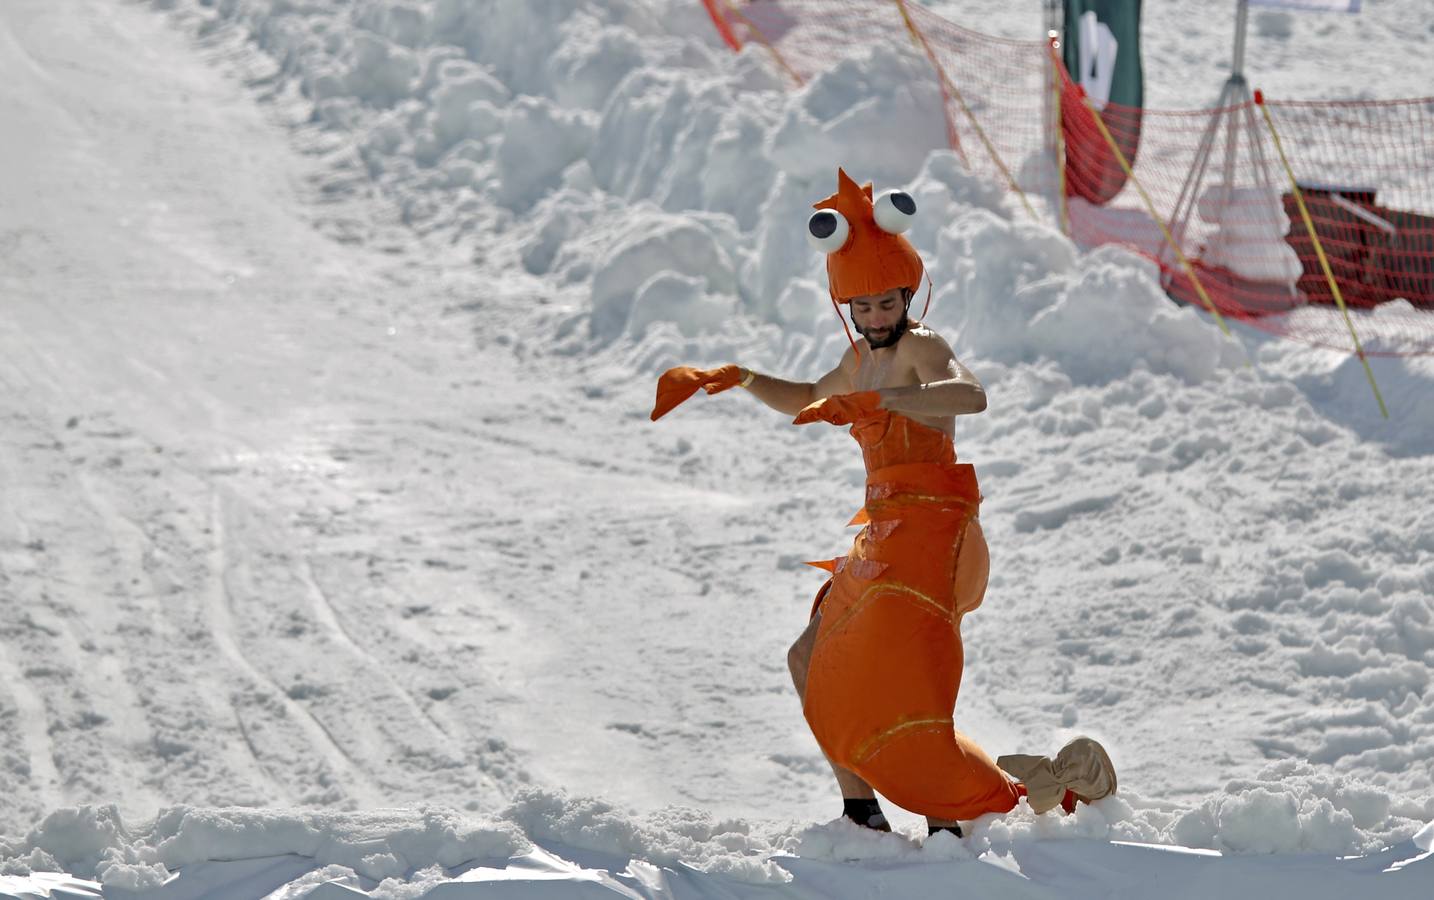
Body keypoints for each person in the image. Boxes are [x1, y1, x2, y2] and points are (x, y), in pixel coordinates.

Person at [650, 168, 1116, 838]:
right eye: (862, 306)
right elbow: (811, 392)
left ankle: (984, 812)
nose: (876, 316)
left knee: (905, 688)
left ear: (906, 296)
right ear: (847, 306)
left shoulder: (919, 348)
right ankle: (861, 812)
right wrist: (741, 377)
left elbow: (969, 393)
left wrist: (896, 399)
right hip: (885, 531)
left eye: (886, 303)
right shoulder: (857, 361)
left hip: (932, 534)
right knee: (809, 658)